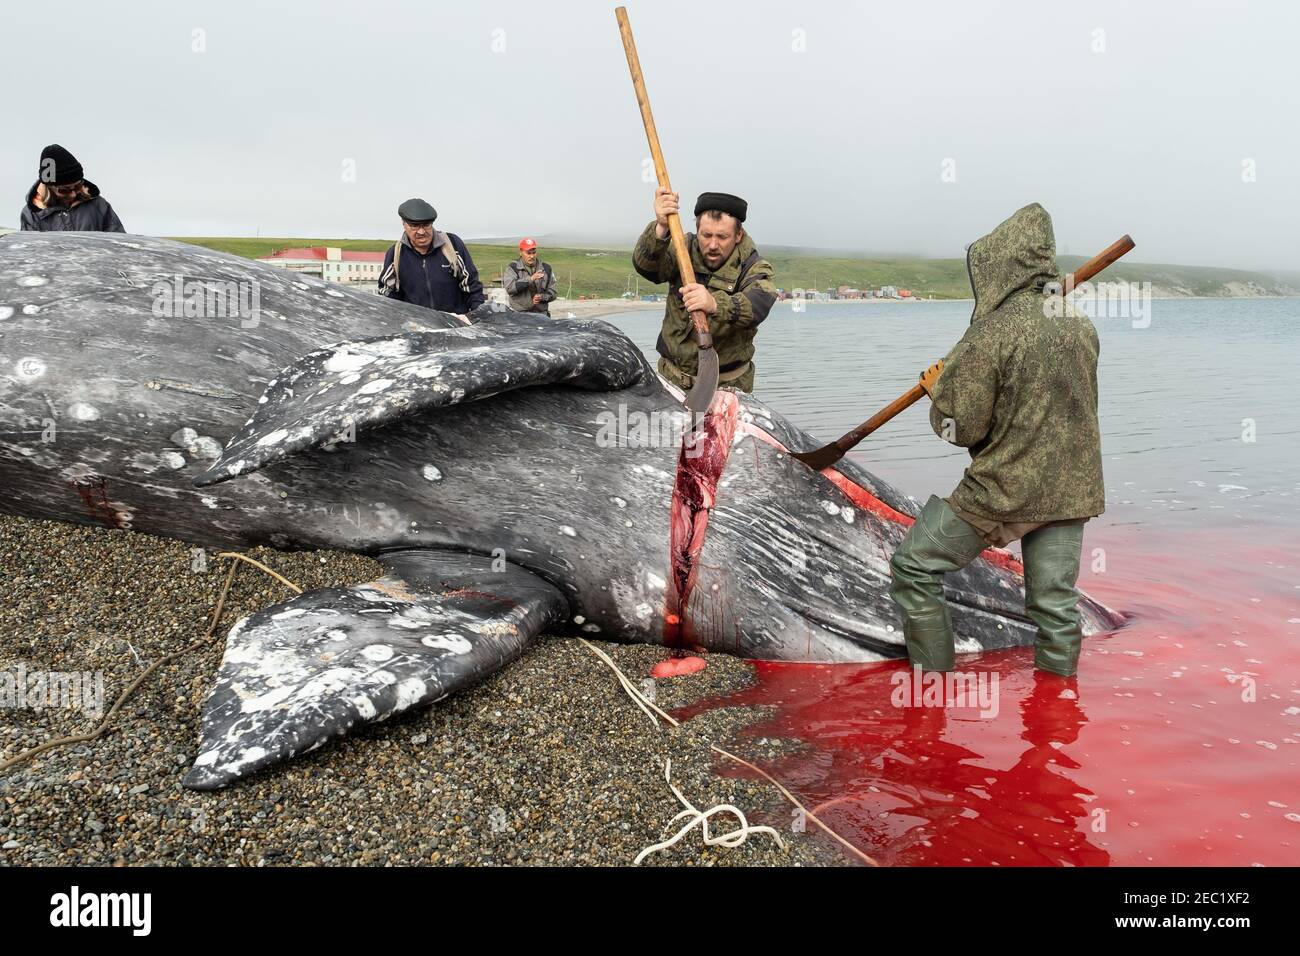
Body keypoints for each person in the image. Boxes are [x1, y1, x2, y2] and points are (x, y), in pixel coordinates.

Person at [889, 202, 1105, 679]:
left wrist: (938, 393)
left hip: (1003, 489)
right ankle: (1054, 725)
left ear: (996, 268)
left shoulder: (989, 334)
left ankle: (931, 693)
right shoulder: (1081, 326)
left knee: (914, 566)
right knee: (1055, 609)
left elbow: (961, 429)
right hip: (1072, 490)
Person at [632, 189, 777, 394]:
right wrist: (661, 227)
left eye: (722, 237)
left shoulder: (754, 266)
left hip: (727, 388)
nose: (713, 245)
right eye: (706, 235)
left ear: (738, 235)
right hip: (670, 381)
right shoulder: (682, 248)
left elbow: (759, 305)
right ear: (697, 230)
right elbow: (646, 267)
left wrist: (715, 304)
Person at [378, 198, 485, 318]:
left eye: (426, 225)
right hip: (417, 327)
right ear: (404, 225)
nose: (421, 231)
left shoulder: (452, 245)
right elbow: (388, 297)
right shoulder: (395, 254)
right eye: (414, 226)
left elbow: (472, 286)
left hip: (456, 325)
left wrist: (478, 317)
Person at [20, 144, 125, 232]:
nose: (73, 194)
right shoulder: (32, 216)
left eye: (77, 186)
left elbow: (119, 245)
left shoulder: (99, 205)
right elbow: (31, 253)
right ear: (49, 189)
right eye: (65, 190)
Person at [503, 238, 558, 314]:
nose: (532, 256)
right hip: (519, 315)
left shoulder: (546, 268)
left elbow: (554, 292)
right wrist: (530, 279)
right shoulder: (513, 268)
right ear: (521, 252)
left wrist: (542, 297)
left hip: (541, 315)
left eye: (534, 253)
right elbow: (510, 288)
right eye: (528, 253)